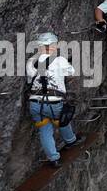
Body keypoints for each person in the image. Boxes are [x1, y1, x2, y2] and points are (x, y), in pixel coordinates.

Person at [25, 32, 78, 167]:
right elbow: (71, 72)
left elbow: (30, 78)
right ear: (53, 45)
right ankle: (70, 141)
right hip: (54, 101)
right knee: (63, 120)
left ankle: (53, 158)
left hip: (35, 103)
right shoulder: (60, 60)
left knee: (44, 130)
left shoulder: (31, 61)